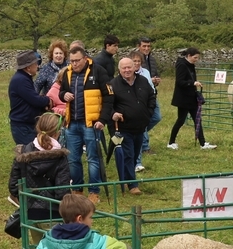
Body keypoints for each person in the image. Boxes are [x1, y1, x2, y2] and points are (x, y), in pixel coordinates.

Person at [8, 112, 72, 249]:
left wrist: (25, 200)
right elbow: (62, 191)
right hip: (53, 213)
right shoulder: (60, 157)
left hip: (31, 213)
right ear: (58, 132)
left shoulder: (24, 152)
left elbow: (13, 185)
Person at [56, 45, 112, 203]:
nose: (74, 64)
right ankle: (77, 189)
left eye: (77, 61)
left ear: (85, 58)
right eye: (72, 61)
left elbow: (109, 97)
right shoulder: (67, 73)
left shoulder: (98, 71)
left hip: (92, 124)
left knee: (93, 158)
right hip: (72, 123)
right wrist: (63, 95)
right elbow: (61, 91)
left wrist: (102, 120)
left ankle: (94, 191)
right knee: (73, 159)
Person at [102, 57, 156, 194]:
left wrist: (148, 113)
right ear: (119, 70)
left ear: (134, 68)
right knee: (128, 155)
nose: (127, 70)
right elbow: (107, 104)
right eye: (124, 68)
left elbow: (152, 97)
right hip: (123, 128)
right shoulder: (113, 84)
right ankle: (132, 185)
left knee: (135, 153)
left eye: (129, 67)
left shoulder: (143, 81)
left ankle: (125, 179)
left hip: (140, 127)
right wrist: (113, 114)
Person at [167, 47, 216, 150]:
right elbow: (180, 81)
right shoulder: (181, 65)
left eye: (197, 58)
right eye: (195, 57)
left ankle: (203, 144)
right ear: (188, 56)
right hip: (183, 98)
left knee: (197, 120)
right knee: (180, 120)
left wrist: (195, 84)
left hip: (192, 97)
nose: (196, 60)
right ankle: (171, 142)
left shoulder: (191, 65)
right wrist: (193, 83)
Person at [9, 51, 53, 146]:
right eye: (36, 64)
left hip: (26, 124)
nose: (38, 66)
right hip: (23, 126)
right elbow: (35, 100)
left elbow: (31, 98)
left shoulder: (24, 78)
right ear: (28, 67)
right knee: (29, 155)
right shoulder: (21, 80)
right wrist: (48, 100)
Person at [135, 38, 163, 165]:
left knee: (157, 117)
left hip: (152, 94)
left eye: (148, 46)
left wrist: (156, 80)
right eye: (144, 46)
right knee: (143, 120)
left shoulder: (151, 59)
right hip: (140, 96)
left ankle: (139, 134)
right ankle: (145, 146)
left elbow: (154, 73)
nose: (147, 48)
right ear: (138, 46)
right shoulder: (133, 59)